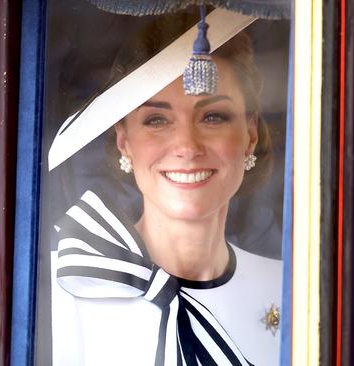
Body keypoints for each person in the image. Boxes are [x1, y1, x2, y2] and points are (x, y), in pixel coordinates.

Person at [50, 28, 282, 366]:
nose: (187, 147)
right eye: (157, 120)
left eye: (213, 117)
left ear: (250, 134)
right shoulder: (60, 285)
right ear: (123, 140)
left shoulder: (290, 289)